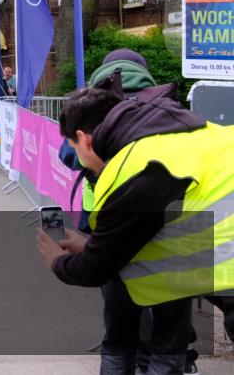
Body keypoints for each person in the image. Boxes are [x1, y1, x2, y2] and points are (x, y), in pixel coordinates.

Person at [36, 86, 234, 373]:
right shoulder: (187, 133)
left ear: (83, 138)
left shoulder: (136, 171)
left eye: (73, 147)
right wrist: (94, 244)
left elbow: (96, 269)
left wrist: (56, 260)